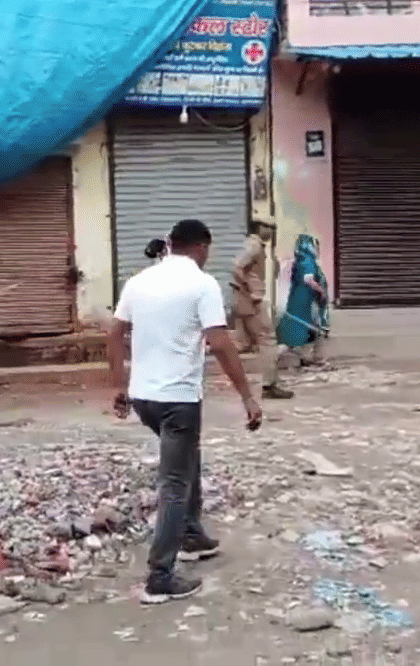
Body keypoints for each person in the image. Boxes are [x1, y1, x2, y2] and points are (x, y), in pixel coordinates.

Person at [106, 219, 262, 605]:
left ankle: (191, 533)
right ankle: (160, 576)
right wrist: (247, 397)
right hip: (178, 400)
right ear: (202, 248)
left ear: (171, 245)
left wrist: (118, 386)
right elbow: (221, 343)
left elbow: (113, 333)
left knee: (187, 456)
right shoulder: (202, 285)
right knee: (174, 483)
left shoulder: (138, 281)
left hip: (144, 399)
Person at [231, 220, 294, 400]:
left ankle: (259, 384)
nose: (272, 230)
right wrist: (251, 291)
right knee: (268, 340)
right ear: (260, 228)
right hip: (251, 302)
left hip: (245, 300)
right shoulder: (254, 246)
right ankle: (269, 385)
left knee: (249, 344)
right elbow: (237, 267)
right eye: (268, 227)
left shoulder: (255, 245)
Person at [277, 234, 330, 367]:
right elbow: (308, 280)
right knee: (313, 329)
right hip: (306, 302)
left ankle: (308, 357)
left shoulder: (301, 260)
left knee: (303, 330)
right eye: (316, 247)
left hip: (299, 300)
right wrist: (321, 290)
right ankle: (315, 358)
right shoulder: (307, 262)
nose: (318, 250)